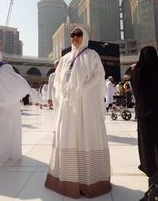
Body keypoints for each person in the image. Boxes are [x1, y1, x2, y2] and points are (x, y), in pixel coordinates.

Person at [45, 27, 111, 198]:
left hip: (86, 105)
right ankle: (68, 179)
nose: (75, 37)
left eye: (78, 34)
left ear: (85, 36)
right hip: (68, 106)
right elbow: (57, 79)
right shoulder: (65, 58)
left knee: (85, 136)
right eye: (72, 35)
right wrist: (64, 91)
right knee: (68, 136)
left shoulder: (92, 55)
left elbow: (98, 76)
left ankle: (90, 181)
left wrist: (81, 90)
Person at [131, 46, 158, 201]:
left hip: (145, 116)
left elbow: (136, 93)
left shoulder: (137, 71)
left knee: (148, 148)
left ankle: (152, 177)